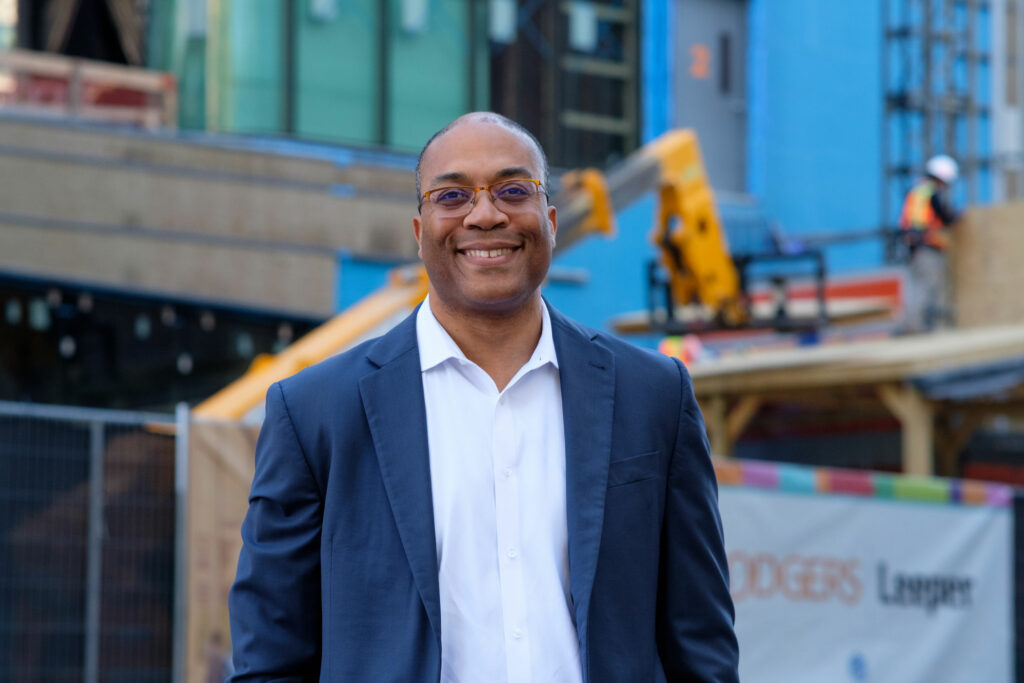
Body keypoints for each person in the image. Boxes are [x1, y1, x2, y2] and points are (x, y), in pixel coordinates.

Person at [227, 112, 739, 682]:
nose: (486, 213)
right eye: (452, 195)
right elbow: (270, 656)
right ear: (420, 234)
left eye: (513, 190)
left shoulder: (654, 397)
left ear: (548, 220)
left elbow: (701, 643)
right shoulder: (316, 412)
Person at [899, 154, 960, 333]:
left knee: (918, 286)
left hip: (915, 246)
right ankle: (921, 328)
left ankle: (913, 326)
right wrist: (956, 216)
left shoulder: (918, 191)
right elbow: (943, 217)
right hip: (927, 247)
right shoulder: (930, 193)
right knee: (929, 287)